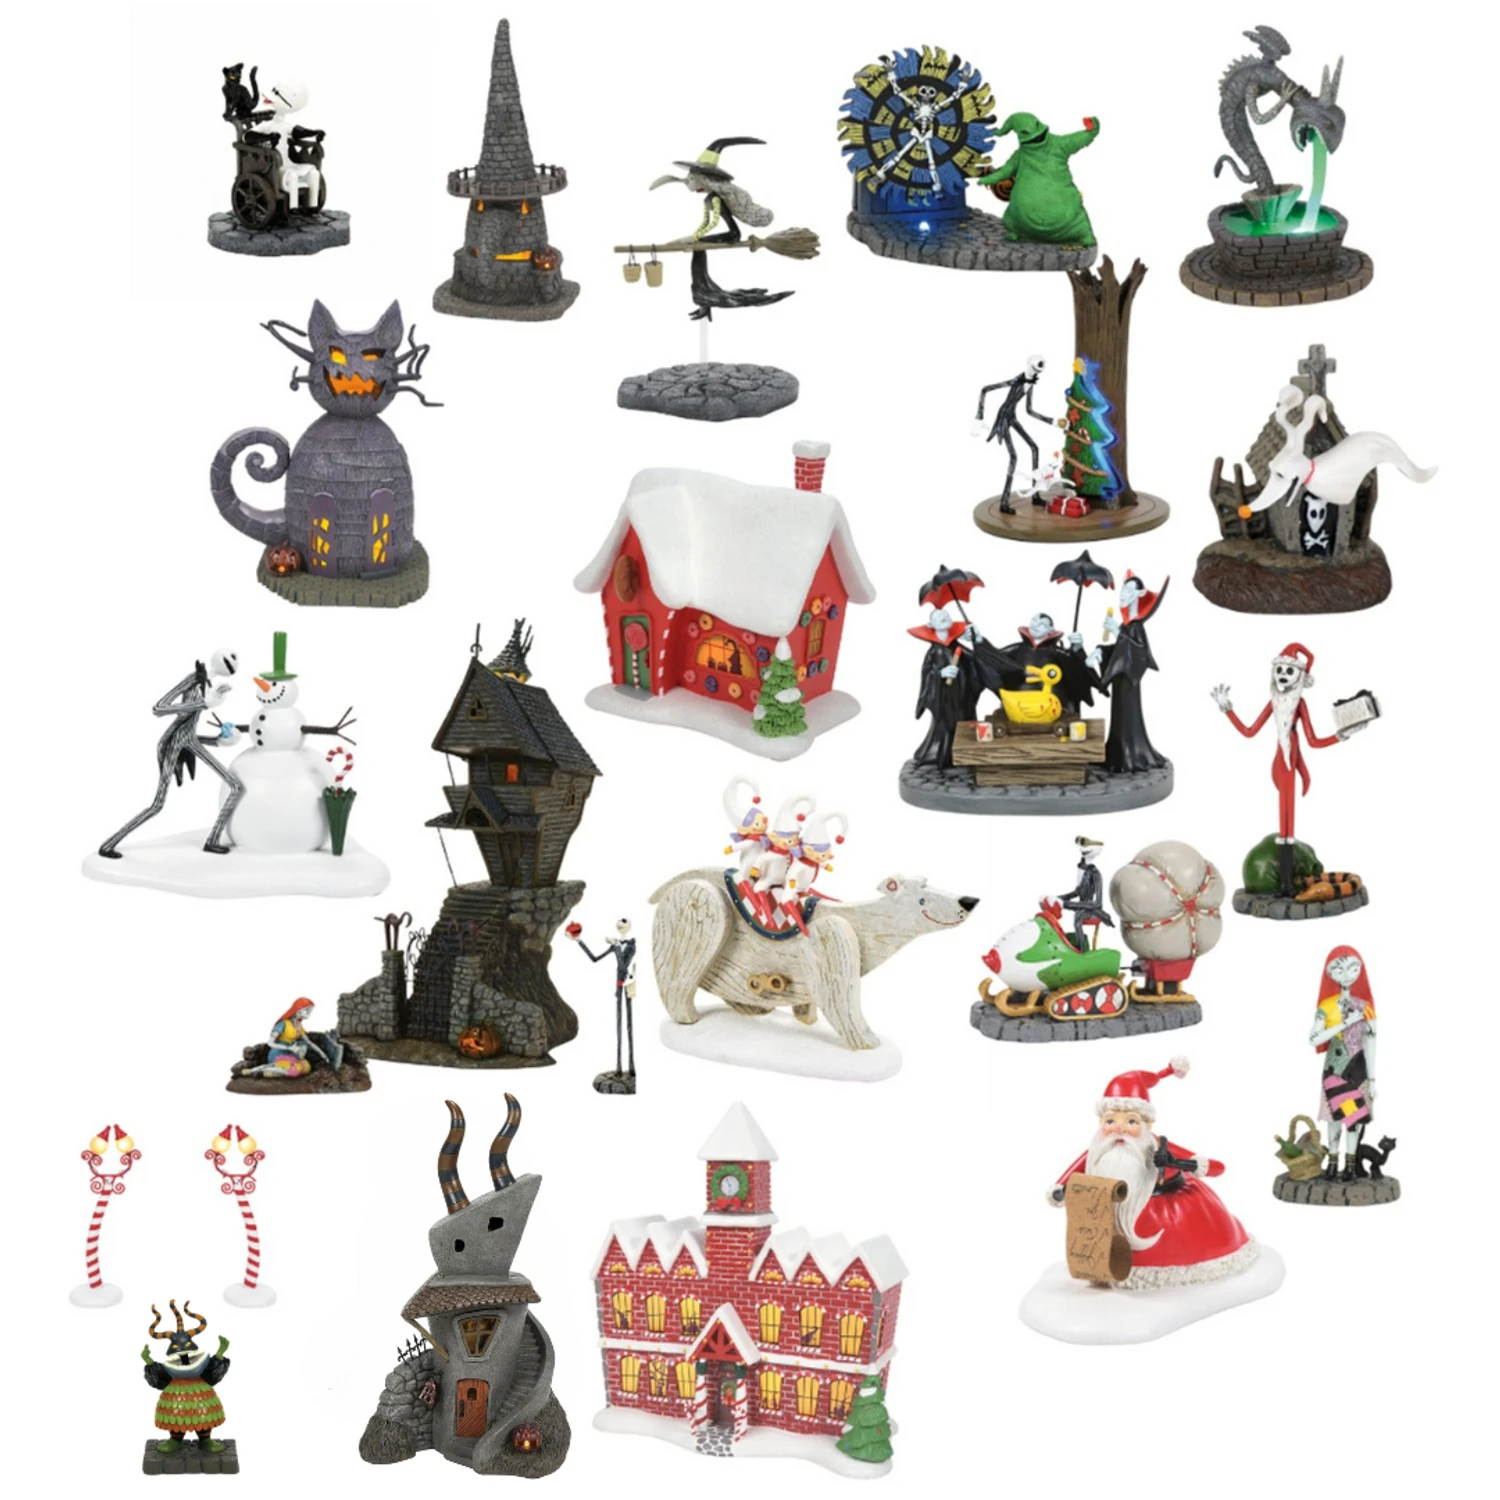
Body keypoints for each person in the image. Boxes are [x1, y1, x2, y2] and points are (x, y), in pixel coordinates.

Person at [1048, 1059, 1255, 1287]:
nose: (1119, 1128)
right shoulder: (1101, 1148)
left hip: (1168, 1213)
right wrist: (1061, 1189)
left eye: (1131, 1121)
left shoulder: (1156, 1147)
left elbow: (1217, 1167)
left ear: (1147, 1125)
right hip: (1107, 1211)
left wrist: (1185, 1164)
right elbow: (1074, 1172)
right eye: (1110, 1120)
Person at [1211, 642, 1364, 896]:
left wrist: (1342, 735)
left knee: (1288, 824)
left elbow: (1313, 741)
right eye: (1279, 670)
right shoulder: (1274, 702)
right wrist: (1227, 708)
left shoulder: (1299, 704)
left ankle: (1287, 885)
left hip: (1291, 763)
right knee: (1284, 824)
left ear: (1300, 677)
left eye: (1289, 671)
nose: (1282, 675)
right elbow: (1249, 731)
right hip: (1280, 764)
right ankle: (1285, 885)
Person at [1309, 947, 1377, 1181]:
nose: (1347, 975)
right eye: (1339, 970)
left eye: (1353, 968)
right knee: (1333, 1116)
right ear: (1330, 974)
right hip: (1334, 1067)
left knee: (1354, 1119)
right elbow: (1313, 1038)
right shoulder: (1327, 1006)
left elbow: (1371, 1042)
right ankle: (1332, 1162)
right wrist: (1345, 1023)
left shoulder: (1364, 1007)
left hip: (1358, 1068)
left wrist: (1373, 1079)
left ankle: (1350, 1165)